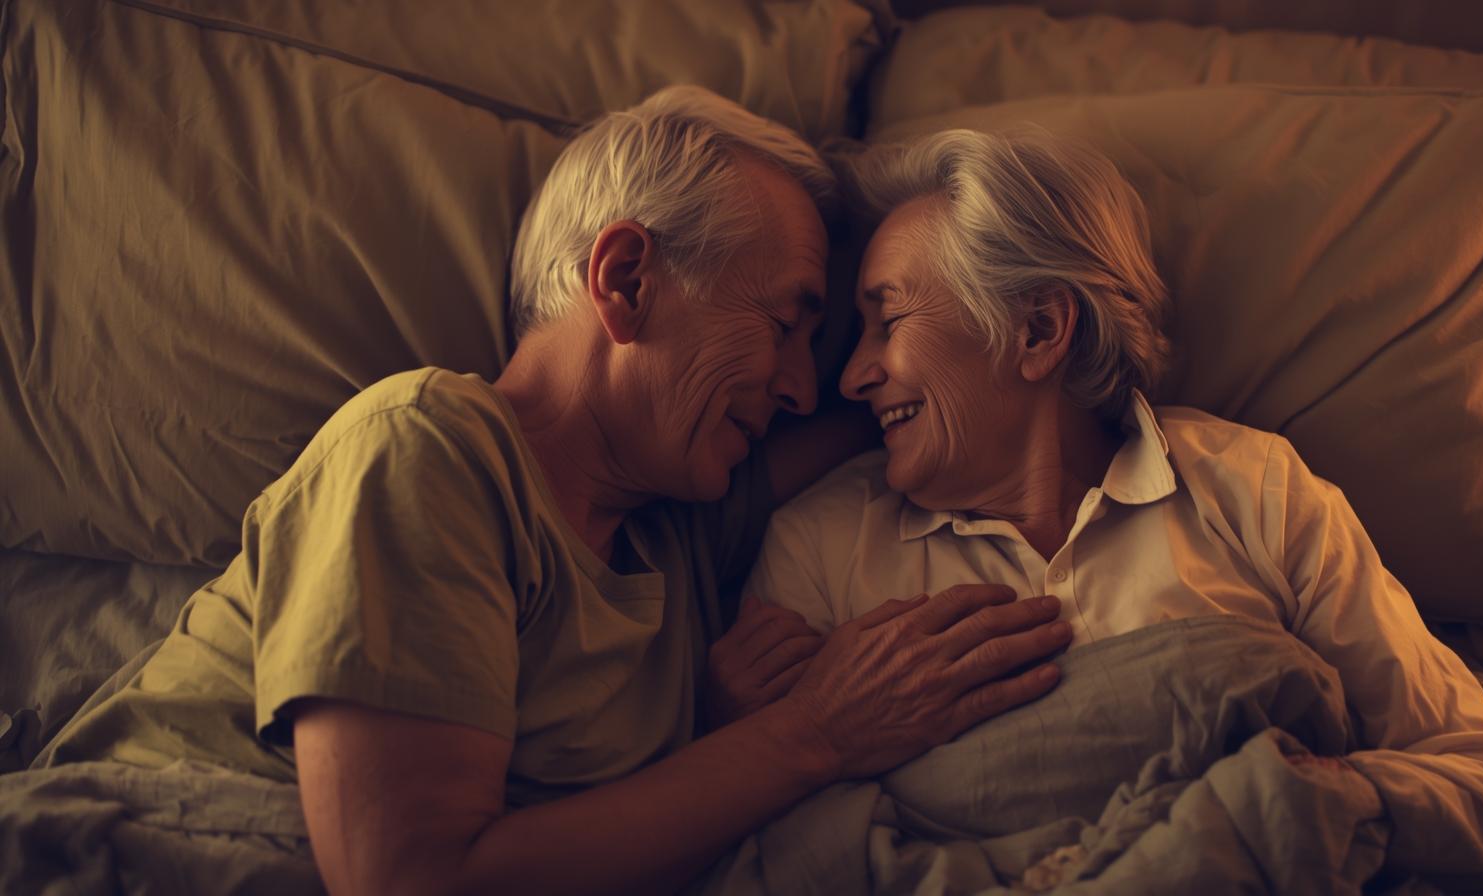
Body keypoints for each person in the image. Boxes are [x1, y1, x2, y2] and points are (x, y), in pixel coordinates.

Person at [31, 89, 1075, 894]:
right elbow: (410, 880)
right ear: (624, 279)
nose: (808, 383)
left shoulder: (675, 530)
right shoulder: (426, 447)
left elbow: (943, 396)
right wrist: (814, 733)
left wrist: (1055, 332)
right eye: (787, 320)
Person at [742, 129, 1483, 890]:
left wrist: (1300, 805)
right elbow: (771, 856)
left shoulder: (1253, 492)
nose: (851, 377)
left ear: (1037, 329)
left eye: (887, 321)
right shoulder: (819, 547)